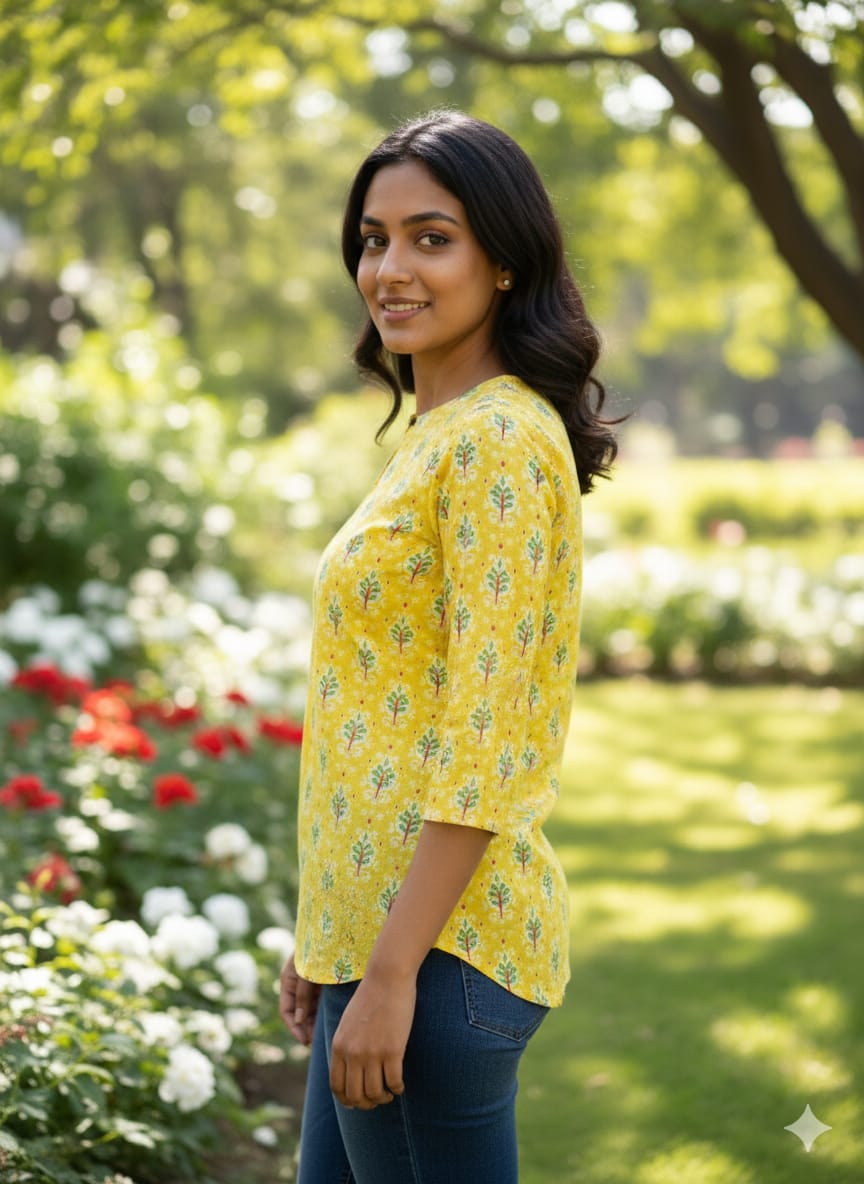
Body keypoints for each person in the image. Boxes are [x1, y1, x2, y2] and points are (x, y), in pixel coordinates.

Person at [279, 108, 617, 1184]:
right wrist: (325, 933)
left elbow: (487, 739)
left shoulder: (499, 442)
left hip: (436, 961)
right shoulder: (438, 433)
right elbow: (378, 715)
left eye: (432, 238)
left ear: (504, 261)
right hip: (376, 941)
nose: (391, 269)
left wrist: (388, 976)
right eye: (374, 240)